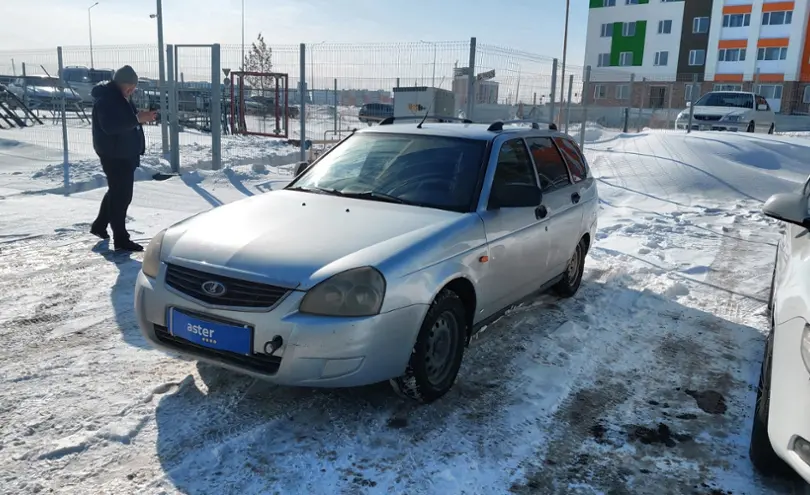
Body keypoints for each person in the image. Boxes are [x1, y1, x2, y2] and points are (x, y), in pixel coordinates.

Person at [89, 65, 157, 252]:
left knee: (116, 192)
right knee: (122, 197)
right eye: (130, 87)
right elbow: (111, 127)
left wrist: (140, 118)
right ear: (122, 84)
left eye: (133, 87)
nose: (132, 90)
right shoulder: (107, 100)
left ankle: (99, 225)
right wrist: (137, 119)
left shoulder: (120, 98)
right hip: (114, 155)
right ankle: (121, 239)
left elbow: (127, 122)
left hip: (124, 153)